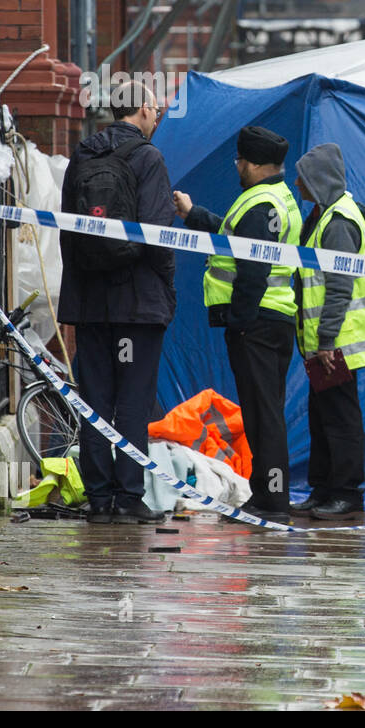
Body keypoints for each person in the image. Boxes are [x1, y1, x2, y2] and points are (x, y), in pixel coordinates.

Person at [58, 82, 173, 524]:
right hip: (137, 303)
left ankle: (99, 499)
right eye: (156, 108)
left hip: (89, 304)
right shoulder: (148, 158)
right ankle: (129, 497)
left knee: (95, 401)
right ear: (142, 110)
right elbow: (158, 235)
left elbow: (68, 230)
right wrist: (166, 290)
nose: (158, 115)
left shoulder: (81, 156)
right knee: (133, 401)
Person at [173, 126, 302, 522]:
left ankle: (273, 500)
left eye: (242, 161)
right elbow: (234, 240)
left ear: (259, 165)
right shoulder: (276, 198)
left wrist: (241, 322)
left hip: (257, 323)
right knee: (266, 412)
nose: (238, 166)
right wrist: (195, 215)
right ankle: (266, 494)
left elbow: (253, 271)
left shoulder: (259, 205)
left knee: (265, 416)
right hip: (273, 319)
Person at [290, 143, 365, 521]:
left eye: (303, 177)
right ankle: (323, 489)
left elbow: (338, 287)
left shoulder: (337, 222)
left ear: (318, 180)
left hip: (339, 342)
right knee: (322, 416)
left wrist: (326, 342)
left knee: (340, 419)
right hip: (327, 341)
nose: (297, 183)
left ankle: (347, 494)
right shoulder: (323, 215)